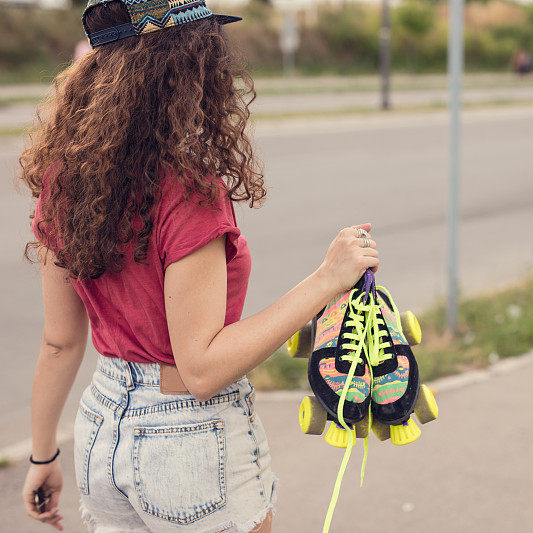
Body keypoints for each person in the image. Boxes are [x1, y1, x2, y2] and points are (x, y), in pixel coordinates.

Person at [17, 0, 380, 531]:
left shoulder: (64, 180)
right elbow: (202, 368)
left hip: (100, 432)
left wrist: (43, 456)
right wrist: (327, 278)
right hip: (185, 443)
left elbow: (59, 343)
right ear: (182, 71)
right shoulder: (187, 192)